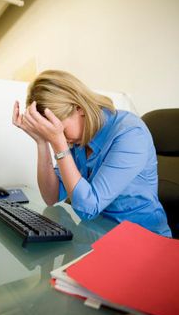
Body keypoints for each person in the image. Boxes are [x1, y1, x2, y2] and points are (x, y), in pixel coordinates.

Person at [12, 70, 172, 237]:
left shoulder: (130, 133)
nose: (62, 139)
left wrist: (59, 144)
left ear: (79, 108)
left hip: (143, 239)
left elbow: (88, 208)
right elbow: (52, 197)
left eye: (61, 131)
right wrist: (42, 142)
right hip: (96, 234)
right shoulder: (79, 138)